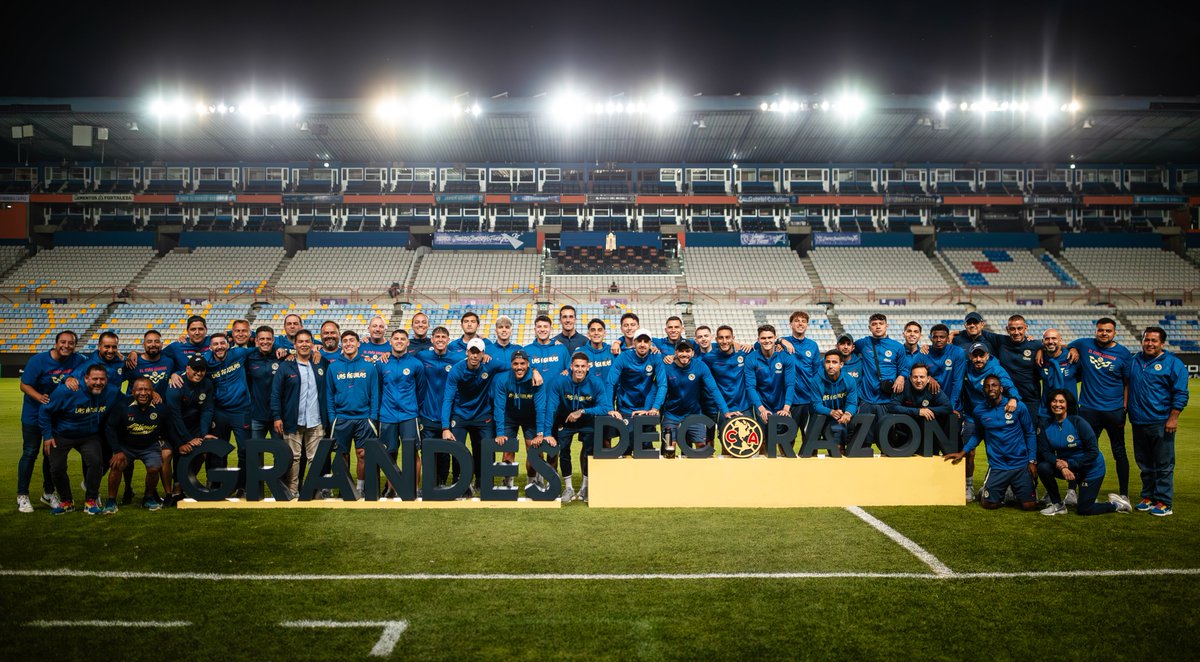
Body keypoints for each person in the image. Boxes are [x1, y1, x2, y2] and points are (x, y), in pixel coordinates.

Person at [944, 375, 1038, 511]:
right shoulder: (979, 411)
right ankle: (1001, 491)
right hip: (998, 465)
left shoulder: (1017, 407)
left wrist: (1032, 461)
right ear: (983, 390)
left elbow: (1030, 433)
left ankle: (1018, 488)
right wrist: (962, 452)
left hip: (1020, 464)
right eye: (987, 386)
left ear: (1001, 388)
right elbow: (978, 434)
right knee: (988, 505)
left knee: (1030, 506)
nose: (991, 389)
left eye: (994, 385)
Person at [16, 330, 85, 513]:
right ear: (56, 343)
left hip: (56, 416)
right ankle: (22, 495)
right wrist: (39, 397)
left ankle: (48, 492)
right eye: (63, 342)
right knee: (30, 452)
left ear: (75, 346)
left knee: (50, 454)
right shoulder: (38, 360)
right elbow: (24, 384)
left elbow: (96, 362)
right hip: (33, 414)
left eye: (71, 343)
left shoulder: (78, 360)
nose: (66, 346)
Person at [39, 364, 121, 515]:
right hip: (62, 434)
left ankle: (90, 501)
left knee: (96, 463)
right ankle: (66, 502)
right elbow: (45, 411)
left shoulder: (112, 392)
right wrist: (48, 436)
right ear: (85, 378)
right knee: (57, 468)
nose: (98, 382)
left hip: (89, 435)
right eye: (94, 379)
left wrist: (153, 395)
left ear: (106, 380)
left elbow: (128, 401)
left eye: (102, 379)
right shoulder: (67, 390)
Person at [1067, 317, 1133, 500]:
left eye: (1108, 331)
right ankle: (1072, 491)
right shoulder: (1084, 344)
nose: (1104, 333)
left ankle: (1124, 494)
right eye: (1101, 330)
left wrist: (1124, 408)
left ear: (1114, 333)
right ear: (1096, 330)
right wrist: (1072, 348)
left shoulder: (1123, 353)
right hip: (1088, 409)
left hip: (1113, 411)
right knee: (1082, 450)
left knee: (1119, 452)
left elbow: (1128, 383)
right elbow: (1062, 346)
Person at [1037, 389, 1130, 516]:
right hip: (1068, 467)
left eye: (1061, 401)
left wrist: (1068, 464)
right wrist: (1061, 465)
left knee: (1085, 509)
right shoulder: (1045, 425)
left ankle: (1117, 505)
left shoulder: (1078, 422)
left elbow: (1093, 452)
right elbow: (1045, 452)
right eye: (1054, 401)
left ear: (1067, 404)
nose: (1057, 404)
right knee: (1043, 467)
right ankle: (1058, 505)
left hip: (1090, 469)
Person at [1127, 327, 1189, 516]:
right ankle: (1148, 497)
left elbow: (1180, 393)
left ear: (1162, 343)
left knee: (1163, 464)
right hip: (1138, 421)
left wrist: (1173, 418)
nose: (1150, 344)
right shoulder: (1135, 360)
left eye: (1154, 341)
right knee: (1144, 463)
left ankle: (1164, 502)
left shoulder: (1173, 363)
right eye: (1147, 340)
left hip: (1161, 422)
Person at [192, 333, 255, 496]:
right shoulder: (206, 360)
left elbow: (263, 347)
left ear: (228, 344)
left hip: (241, 410)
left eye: (222, 343)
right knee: (217, 449)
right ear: (210, 347)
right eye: (215, 344)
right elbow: (190, 369)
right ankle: (216, 484)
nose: (219, 347)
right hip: (219, 411)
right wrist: (175, 374)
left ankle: (243, 485)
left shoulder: (239, 353)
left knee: (244, 450)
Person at [544, 353, 612, 502]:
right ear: (571, 367)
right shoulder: (559, 382)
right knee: (564, 451)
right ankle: (568, 488)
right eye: (576, 366)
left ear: (588, 367)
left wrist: (582, 411)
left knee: (589, 452)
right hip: (565, 421)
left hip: (587, 421)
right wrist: (548, 433)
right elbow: (551, 408)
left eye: (583, 366)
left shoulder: (596, 382)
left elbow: (605, 407)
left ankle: (585, 487)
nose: (579, 369)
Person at [271, 329, 329, 500]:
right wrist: (277, 416)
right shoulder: (286, 366)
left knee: (315, 458)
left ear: (312, 344)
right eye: (300, 342)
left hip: (316, 420)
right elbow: (275, 394)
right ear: (294, 345)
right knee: (293, 458)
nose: (304, 344)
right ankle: (293, 490)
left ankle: (313, 489)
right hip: (292, 420)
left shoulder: (321, 363)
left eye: (307, 341)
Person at [961, 343, 1021, 500]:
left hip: (993, 416)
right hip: (971, 416)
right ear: (970, 356)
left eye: (982, 355)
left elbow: (1008, 384)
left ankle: (1002, 485)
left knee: (998, 451)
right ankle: (968, 486)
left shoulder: (996, 369)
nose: (978, 359)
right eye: (975, 355)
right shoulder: (965, 367)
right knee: (969, 452)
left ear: (988, 356)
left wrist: (1014, 398)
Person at [327, 330, 380, 499]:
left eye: (352, 340)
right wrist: (332, 417)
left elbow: (375, 394)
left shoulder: (369, 366)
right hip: (341, 418)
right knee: (342, 455)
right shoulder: (333, 366)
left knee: (362, 454)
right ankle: (345, 486)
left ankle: (360, 487)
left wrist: (372, 418)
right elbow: (329, 394)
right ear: (342, 344)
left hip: (364, 418)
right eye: (345, 341)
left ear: (358, 344)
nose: (348, 343)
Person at [654, 342, 731, 457]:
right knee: (669, 449)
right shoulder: (667, 367)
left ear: (693, 353)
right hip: (672, 414)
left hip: (693, 414)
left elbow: (713, 389)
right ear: (676, 352)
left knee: (701, 447)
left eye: (687, 351)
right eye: (681, 351)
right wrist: (655, 407)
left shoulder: (700, 366)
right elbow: (660, 388)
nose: (684, 354)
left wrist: (725, 411)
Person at [103, 377, 168, 513]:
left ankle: (148, 498)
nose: (143, 393)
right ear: (132, 391)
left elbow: (168, 428)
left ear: (152, 392)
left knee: (154, 468)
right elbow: (110, 428)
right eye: (139, 389)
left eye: (147, 389)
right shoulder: (122, 405)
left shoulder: (161, 407)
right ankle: (111, 501)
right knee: (116, 465)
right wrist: (117, 450)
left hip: (150, 446)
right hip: (126, 446)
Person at [441, 338, 496, 497]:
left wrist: (533, 369)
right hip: (461, 415)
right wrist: (445, 427)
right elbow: (448, 399)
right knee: (458, 448)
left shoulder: (490, 365)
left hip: (482, 415)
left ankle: (484, 481)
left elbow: (512, 365)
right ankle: (459, 482)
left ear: (483, 354)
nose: (474, 355)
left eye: (478, 352)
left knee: (486, 448)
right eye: (472, 351)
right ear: (467, 352)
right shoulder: (457, 370)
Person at [377, 329, 425, 497]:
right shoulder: (381, 363)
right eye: (396, 338)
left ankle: (414, 488)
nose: (399, 341)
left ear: (407, 342)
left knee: (412, 452)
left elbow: (421, 390)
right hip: (387, 415)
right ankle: (392, 488)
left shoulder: (416, 364)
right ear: (390, 341)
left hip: (409, 416)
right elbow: (379, 389)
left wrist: (412, 407)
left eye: (402, 339)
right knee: (389, 453)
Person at [163, 355, 216, 503]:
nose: (198, 373)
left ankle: (185, 484)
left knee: (199, 452)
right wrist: (186, 439)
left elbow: (207, 410)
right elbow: (175, 416)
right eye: (195, 370)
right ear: (187, 369)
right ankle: (171, 493)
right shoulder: (176, 385)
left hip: (193, 426)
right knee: (170, 454)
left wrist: (204, 434)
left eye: (202, 370)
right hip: (172, 426)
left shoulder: (207, 384)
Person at [853, 313, 910, 450]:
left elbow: (904, 368)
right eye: (874, 324)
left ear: (886, 326)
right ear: (869, 327)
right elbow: (844, 348)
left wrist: (901, 377)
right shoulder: (863, 343)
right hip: (866, 399)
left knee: (888, 442)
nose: (878, 326)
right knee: (862, 442)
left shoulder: (897, 347)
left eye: (881, 323)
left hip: (887, 400)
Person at [493, 350, 546, 491]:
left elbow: (540, 408)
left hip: (530, 417)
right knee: (507, 449)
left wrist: (540, 432)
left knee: (534, 449)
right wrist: (499, 432)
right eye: (515, 364)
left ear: (528, 364)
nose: (519, 367)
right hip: (510, 418)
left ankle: (532, 482)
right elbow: (499, 408)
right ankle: (508, 484)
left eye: (522, 363)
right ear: (511, 365)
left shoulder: (536, 380)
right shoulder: (503, 380)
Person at [416, 326, 462, 486]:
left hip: (448, 415)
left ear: (448, 340)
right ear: (432, 339)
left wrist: (485, 356)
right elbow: (402, 355)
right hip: (428, 414)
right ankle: (430, 483)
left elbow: (475, 357)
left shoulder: (458, 358)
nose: (440, 339)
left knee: (445, 452)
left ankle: (442, 482)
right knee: (427, 451)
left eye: (443, 337)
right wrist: (387, 353)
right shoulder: (423, 356)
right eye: (437, 337)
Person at [887, 363, 952, 453]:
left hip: (928, 433)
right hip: (905, 433)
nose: (918, 380)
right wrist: (918, 411)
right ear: (910, 378)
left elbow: (948, 407)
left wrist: (928, 410)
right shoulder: (904, 387)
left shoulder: (933, 387)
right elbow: (892, 407)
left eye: (922, 377)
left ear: (928, 378)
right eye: (915, 377)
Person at [780, 311, 822, 436]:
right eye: (797, 320)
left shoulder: (813, 345)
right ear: (791, 324)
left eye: (803, 321)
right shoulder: (782, 343)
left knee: (810, 438)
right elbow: (759, 344)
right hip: (788, 400)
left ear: (807, 325)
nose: (800, 323)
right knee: (786, 438)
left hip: (808, 399)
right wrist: (779, 340)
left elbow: (816, 372)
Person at [746, 324, 794, 430]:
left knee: (782, 441)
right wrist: (761, 409)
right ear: (758, 340)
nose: (767, 341)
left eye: (770, 337)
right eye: (763, 338)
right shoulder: (751, 359)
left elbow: (790, 385)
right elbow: (750, 387)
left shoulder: (785, 357)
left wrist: (786, 408)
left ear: (775, 338)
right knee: (762, 442)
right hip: (761, 404)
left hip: (781, 405)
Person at [811, 350, 858, 451]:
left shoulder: (849, 380)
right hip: (824, 417)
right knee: (833, 450)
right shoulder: (816, 380)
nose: (830, 366)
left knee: (845, 449)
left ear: (841, 364)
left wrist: (848, 413)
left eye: (834, 362)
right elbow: (816, 404)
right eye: (828, 362)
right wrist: (831, 412)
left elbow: (852, 403)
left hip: (843, 417)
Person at [246, 326, 281, 440]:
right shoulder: (249, 357)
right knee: (255, 454)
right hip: (257, 416)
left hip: (277, 416)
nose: (265, 342)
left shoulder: (281, 356)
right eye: (262, 339)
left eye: (268, 339)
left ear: (273, 340)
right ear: (256, 340)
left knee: (280, 454)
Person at [128, 329, 174, 397]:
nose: (153, 344)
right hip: (137, 405)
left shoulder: (169, 362)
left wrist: (175, 374)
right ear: (143, 345)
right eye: (149, 342)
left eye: (157, 341)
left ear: (161, 345)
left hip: (161, 405)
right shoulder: (133, 362)